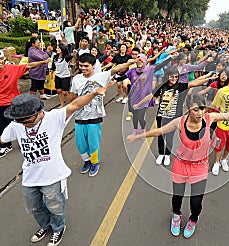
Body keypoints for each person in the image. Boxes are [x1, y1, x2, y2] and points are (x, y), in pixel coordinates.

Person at [126, 94, 229, 238]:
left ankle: (193, 219)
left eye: (202, 108)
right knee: (177, 196)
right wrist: (137, 137)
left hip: (200, 166)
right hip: (181, 164)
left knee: (196, 202)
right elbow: (159, 131)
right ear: (188, 109)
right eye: (195, 109)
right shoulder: (179, 122)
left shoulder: (209, 118)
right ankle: (176, 216)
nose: (200, 112)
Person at [0, 83, 114, 246]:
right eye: (22, 122)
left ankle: (58, 228)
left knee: (56, 207)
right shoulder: (17, 124)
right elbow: (3, 138)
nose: (26, 125)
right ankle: (45, 226)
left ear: (39, 113)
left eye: (29, 122)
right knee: (34, 208)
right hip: (30, 177)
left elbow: (75, 104)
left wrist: (94, 92)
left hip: (53, 176)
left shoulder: (54, 117)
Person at [132, 67, 218, 166]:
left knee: (169, 137)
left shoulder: (180, 86)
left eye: (176, 77)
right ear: (167, 76)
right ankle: (161, 154)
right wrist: (138, 104)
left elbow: (195, 82)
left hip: (173, 118)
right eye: (172, 77)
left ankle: (167, 154)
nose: (174, 79)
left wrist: (209, 78)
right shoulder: (162, 86)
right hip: (161, 116)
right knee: (160, 136)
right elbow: (150, 96)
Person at [69, 53, 135, 176]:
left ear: (93, 65)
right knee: (80, 144)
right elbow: (73, 95)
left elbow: (116, 68)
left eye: (86, 66)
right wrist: (68, 109)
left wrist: (131, 62)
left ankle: (95, 163)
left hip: (95, 117)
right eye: (81, 66)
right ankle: (86, 161)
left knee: (93, 143)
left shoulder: (102, 76)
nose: (83, 68)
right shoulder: (76, 79)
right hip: (79, 116)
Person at [0, 50, 51, 157]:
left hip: (12, 103)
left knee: (20, 124)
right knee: (2, 125)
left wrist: (43, 62)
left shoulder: (12, 69)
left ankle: (23, 141)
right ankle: (6, 145)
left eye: (1, 59)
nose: (0, 62)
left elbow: (29, 65)